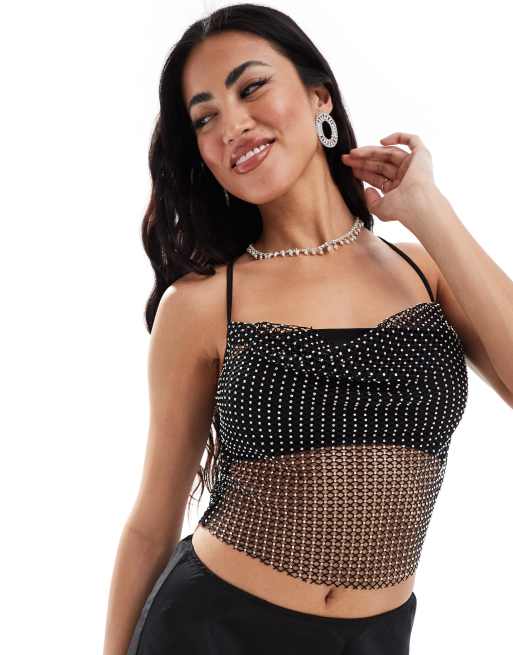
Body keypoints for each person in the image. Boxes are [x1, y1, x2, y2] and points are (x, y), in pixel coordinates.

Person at [102, 4, 513, 655]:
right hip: (212, 631)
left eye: (251, 87)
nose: (232, 125)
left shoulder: (424, 272)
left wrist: (428, 210)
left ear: (319, 95)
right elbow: (152, 522)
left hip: (375, 636)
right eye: (204, 117)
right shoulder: (202, 304)